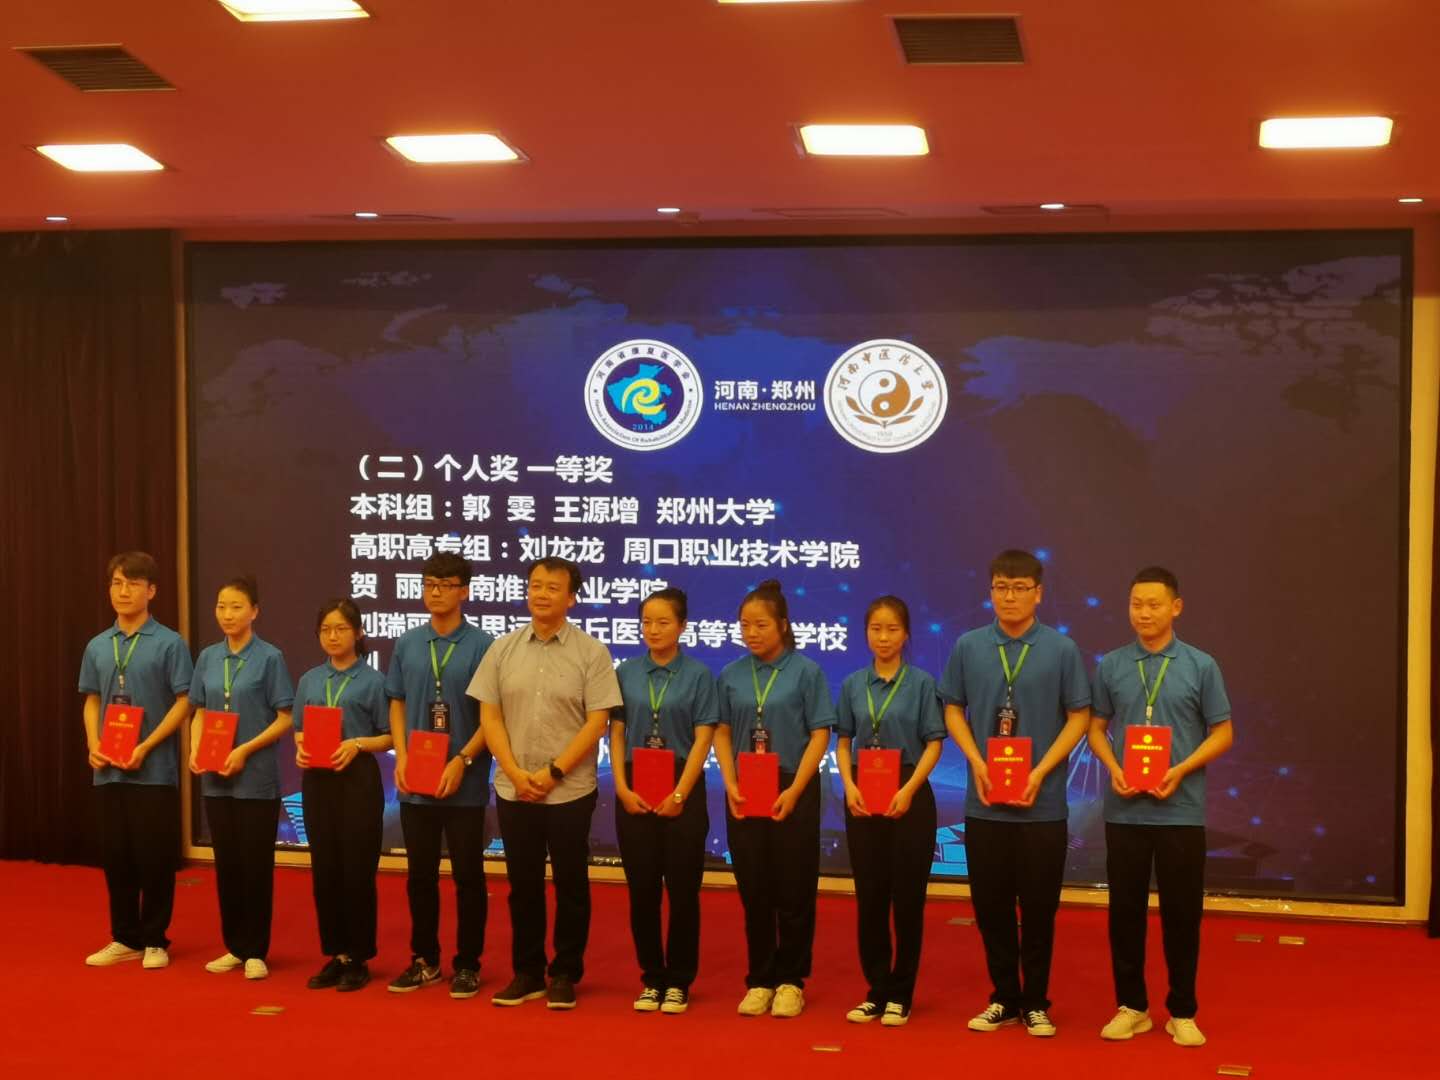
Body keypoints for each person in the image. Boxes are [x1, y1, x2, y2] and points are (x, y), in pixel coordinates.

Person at [939, 549, 1090, 1037]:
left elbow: (1079, 716)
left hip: (1042, 805)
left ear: (1038, 593)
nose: (1009, 597)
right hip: (985, 803)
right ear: (991, 592)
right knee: (991, 907)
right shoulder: (969, 646)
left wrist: (1042, 770)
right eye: (1001, 587)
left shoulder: (1061, 650)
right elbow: (953, 708)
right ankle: (1003, 997)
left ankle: (1036, 1001)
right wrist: (977, 762)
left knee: (1040, 908)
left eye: (1020, 588)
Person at [1088, 566, 1233, 1049]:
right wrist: (1114, 766)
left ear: (1176, 607)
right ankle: (1131, 1007)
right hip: (1125, 810)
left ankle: (1182, 1010)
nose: (1143, 613)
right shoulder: (1111, 665)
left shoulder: (1200, 665)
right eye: (1136, 604)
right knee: (1124, 912)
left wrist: (1181, 769)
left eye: (1153, 604)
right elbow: (1095, 728)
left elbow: (1223, 733)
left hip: (1180, 810)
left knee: (1182, 914)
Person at [471, 556, 623, 1010]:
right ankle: (528, 972)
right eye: (535, 585)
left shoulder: (591, 653)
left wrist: (553, 772)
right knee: (523, 885)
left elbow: (597, 722)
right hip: (514, 787)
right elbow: (490, 716)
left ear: (571, 598)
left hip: (569, 790)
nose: (541, 594)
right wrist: (515, 772)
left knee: (571, 884)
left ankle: (565, 973)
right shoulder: (502, 648)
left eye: (552, 588)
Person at [713, 579, 835, 1019]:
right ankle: (760, 978)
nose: (751, 633)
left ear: (783, 624)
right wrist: (729, 782)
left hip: (792, 784)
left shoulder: (806, 672)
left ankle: (791, 980)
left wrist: (795, 789)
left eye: (761, 624)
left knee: (794, 887)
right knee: (755, 886)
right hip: (746, 784)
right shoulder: (731, 674)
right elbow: (722, 730)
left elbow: (820, 733)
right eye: (745, 625)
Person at [78, 552, 195, 970]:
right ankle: (124, 937)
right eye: (116, 583)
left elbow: (185, 702)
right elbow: (92, 699)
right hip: (109, 768)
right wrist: (93, 742)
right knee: (117, 856)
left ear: (152, 591)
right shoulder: (97, 645)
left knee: (155, 856)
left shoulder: (170, 643)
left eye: (132, 583)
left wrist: (147, 745)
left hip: (153, 770)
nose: (123, 591)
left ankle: (155, 939)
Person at [385, 553, 494, 1000]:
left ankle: (468, 964)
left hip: (464, 780)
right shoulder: (408, 643)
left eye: (445, 585)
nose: (435, 592)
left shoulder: (483, 645)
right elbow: (396, 701)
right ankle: (425, 960)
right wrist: (401, 754)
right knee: (420, 876)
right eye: (429, 584)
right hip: (417, 780)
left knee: (468, 875)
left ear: (464, 591)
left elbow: (492, 717)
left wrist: (462, 760)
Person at [836, 596, 944, 1027]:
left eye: (892, 629)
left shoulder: (921, 684)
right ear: (866, 633)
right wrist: (848, 785)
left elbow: (934, 742)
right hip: (863, 792)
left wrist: (909, 789)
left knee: (907, 899)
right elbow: (844, 740)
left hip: (908, 792)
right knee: (871, 897)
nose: (883, 637)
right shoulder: (853, 684)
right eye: (876, 629)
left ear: (906, 634)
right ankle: (876, 990)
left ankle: (901, 993)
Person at [611, 587, 719, 1015]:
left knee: (683, 890)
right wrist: (621, 787)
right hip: (635, 783)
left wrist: (680, 794)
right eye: (646, 622)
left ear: (682, 626)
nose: (653, 630)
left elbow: (703, 738)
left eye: (663, 622)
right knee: (642, 890)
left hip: (681, 785)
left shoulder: (698, 676)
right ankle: (651, 978)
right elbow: (617, 732)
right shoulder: (626, 672)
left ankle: (679, 981)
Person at [188, 574, 294, 980]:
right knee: (228, 865)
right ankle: (234, 946)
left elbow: (284, 717)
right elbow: (199, 710)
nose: (227, 614)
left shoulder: (269, 657)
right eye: (221, 606)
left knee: (254, 865)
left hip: (256, 778)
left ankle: (255, 951)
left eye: (236, 607)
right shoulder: (208, 657)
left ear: (254, 612)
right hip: (216, 778)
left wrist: (244, 750)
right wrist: (196, 749)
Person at [293, 598, 392, 993]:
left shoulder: (374, 681)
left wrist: (357, 744)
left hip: (358, 781)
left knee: (357, 871)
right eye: (325, 630)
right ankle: (336, 954)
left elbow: (389, 736)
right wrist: (301, 749)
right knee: (326, 870)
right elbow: (299, 728)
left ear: (359, 633)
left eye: (340, 629)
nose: (332, 637)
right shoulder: (310, 680)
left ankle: (359, 956)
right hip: (318, 781)